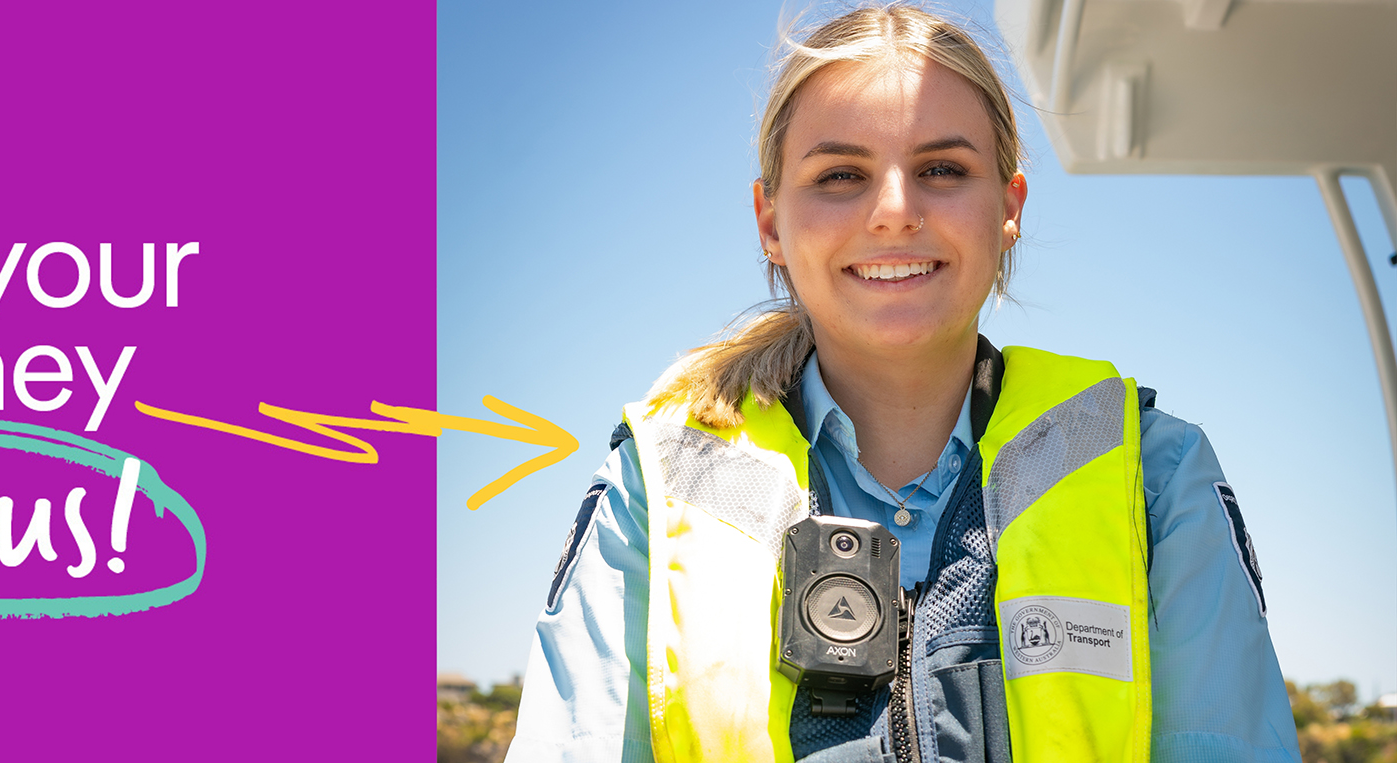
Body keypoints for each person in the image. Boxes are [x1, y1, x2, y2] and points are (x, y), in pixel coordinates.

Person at [503, 5, 1299, 762]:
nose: (894, 210)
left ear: (1009, 206)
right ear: (770, 221)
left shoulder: (1153, 476)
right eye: (841, 174)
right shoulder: (659, 485)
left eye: (942, 168)